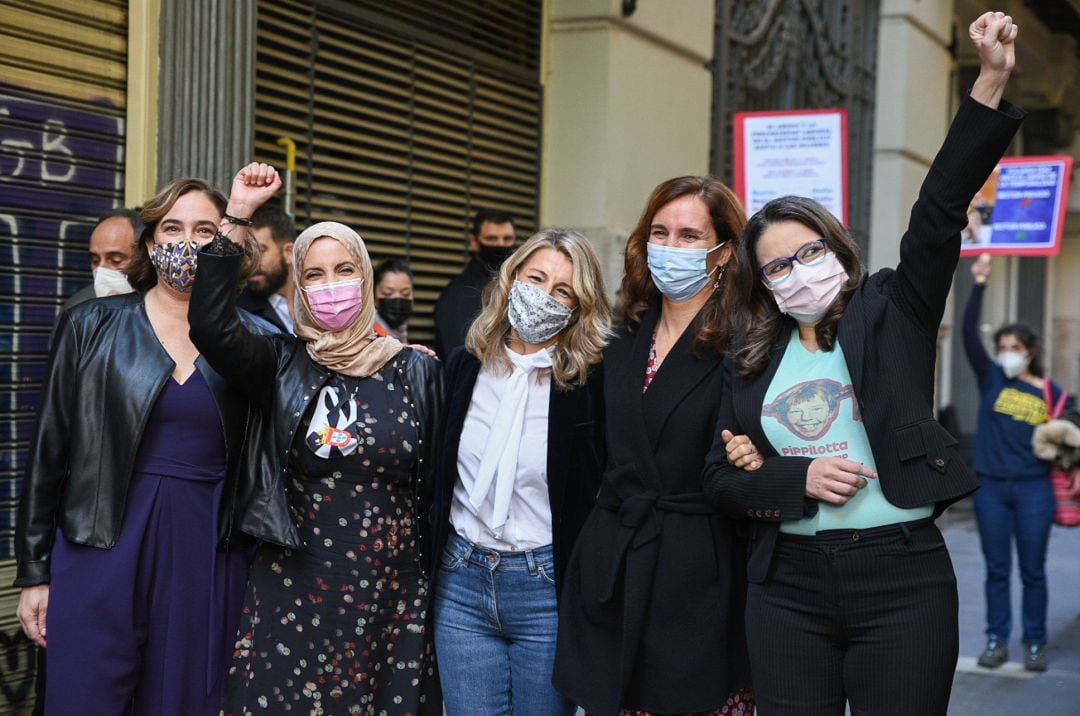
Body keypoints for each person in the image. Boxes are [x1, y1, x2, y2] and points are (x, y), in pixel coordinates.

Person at [702, 13, 1023, 714]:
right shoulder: (750, 359)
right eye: (777, 266)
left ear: (838, 251)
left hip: (901, 580)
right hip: (785, 587)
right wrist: (798, 478)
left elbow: (939, 209)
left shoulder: (892, 310)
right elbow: (720, 483)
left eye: (809, 251)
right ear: (764, 286)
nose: (797, 271)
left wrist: (990, 82)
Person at [188, 162, 443, 715]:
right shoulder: (278, 361)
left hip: (391, 592)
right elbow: (208, 323)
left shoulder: (416, 371)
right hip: (295, 585)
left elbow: (440, 485)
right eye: (315, 274)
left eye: (345, 269)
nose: (332, 286)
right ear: (296, 284)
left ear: (367, 276)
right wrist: (236, 214)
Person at [15, 178, 269, 715]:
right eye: (172, 228)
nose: (187, 242)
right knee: (85, 698)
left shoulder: (258, 341)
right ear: (150, 244)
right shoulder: (90, 324)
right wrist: (34, 572)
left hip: (208, 556)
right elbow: (49, 453)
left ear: (229, 245)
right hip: (98, 545)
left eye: (206, 231)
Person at [553, 175, 754, 715]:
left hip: (699, 581)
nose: (670, 247)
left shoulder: (749, 345)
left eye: (690, 236)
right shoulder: (618, 340)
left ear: (724, 252)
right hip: (613, 566)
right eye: (659, 233)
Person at [431, 229, 610, 715]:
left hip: (545, 589)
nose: (545, 296)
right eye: (536, 278)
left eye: (563, 290)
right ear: (510, 281)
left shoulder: (590, 385)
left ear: (578, 306)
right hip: (461, 579)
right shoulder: (463, 367)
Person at [964, 252, 1066, 671]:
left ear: (1029, 352)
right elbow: (968, 332)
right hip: (990, 487)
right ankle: (995, 640)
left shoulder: (1050, 391)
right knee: (997, 570)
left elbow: (1067, 442)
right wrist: (981, 282)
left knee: (1033, 571)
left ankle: (1035, 643)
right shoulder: (990, 377)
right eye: (1002, 347)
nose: (1007, 354)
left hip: (1034, 489)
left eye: (1014, 348)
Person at [434, 209, 515, 355]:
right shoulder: (458, 294)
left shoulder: (520, 285)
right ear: (474, 242)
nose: (500, 244)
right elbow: (458, 355)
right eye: (491, 239)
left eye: (507, 239)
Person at [62, 207, 141, 311]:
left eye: (115, 260)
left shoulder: (164, 308)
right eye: (95, 261)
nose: (100, 270)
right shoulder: (78, 310)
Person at [236, 203, 297, 333]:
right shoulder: (238, 311)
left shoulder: (315, 300)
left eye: (261, 250)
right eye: (247, 253)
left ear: (288, 252)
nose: (250, 262)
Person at [373, 258, 415, 342]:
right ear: (374, 297)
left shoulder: (403, 337)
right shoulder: (368, 338)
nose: (398, 299)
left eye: (405, 294)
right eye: (388, 293)